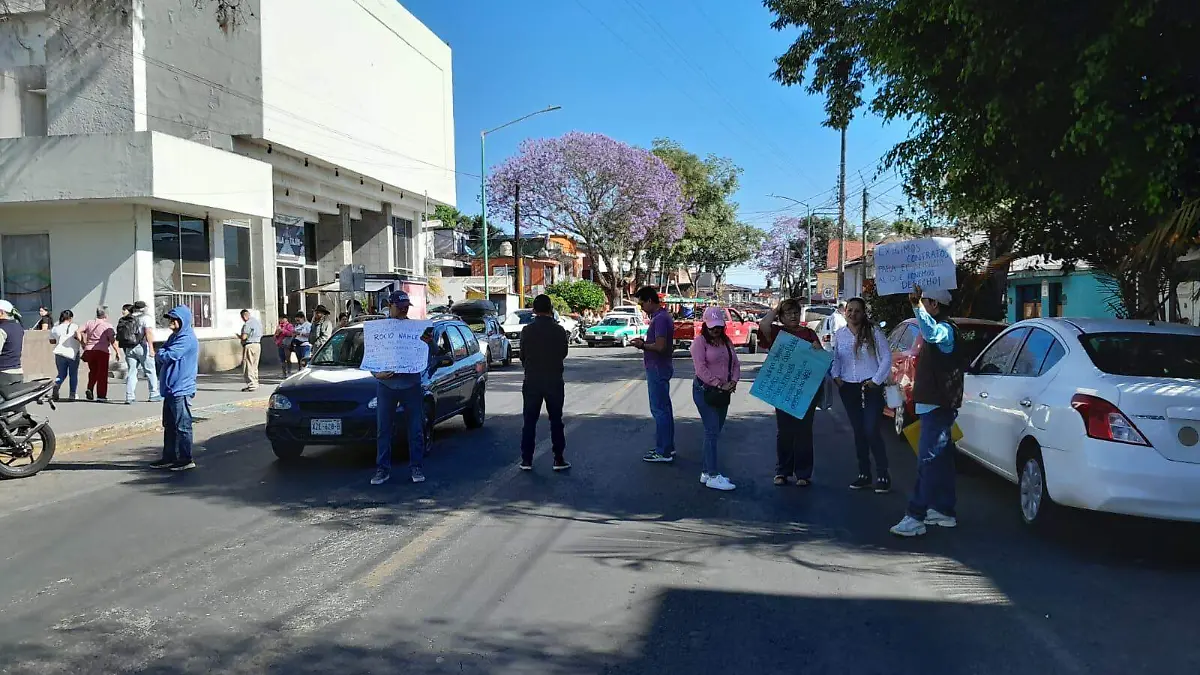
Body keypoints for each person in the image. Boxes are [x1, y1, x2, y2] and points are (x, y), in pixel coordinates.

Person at [891, 285, 961, 537]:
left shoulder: (945, 330)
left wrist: (915, 305)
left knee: (928, 461)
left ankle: (916, 515)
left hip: (938, 406)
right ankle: (943, 510)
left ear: (935, 305)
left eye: (926, 301)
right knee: (940, 461)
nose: (923, 305)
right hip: (935, 405)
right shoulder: (941, 328)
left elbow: (932, 334)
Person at [370, 291, 434, 486]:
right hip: (386, 386)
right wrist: (376, 374)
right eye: (400, 305)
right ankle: (382, 469)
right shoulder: (378, 329)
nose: (405, 308)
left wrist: (430, 344)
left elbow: (431, 354)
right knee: (383, 430)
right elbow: (371, 355)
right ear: (390, 305)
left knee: (415, 428)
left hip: (411, 385)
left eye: (407, 305)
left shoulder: (417, 329)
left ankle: (416, 466)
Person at [758, 298, 823, 486]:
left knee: (804, 432)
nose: (793, 316)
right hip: (783, 388)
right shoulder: (778, 332)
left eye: (796, 312)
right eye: (788, 313)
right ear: (781, 317)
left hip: (806, 389)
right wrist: (777, 307)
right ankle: (782, 471)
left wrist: (818, 350)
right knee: (785, 432)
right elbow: (764, 324)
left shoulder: (809, 333)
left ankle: (803, 473)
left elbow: (820, 360)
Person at [832, 297, 893, 493]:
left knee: (871, 430)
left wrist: (876, 380)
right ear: (845, 312)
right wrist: (836, 376)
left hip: (871, 387)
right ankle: (864, 474)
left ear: (863, 313)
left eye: (857, 311)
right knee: (858, 432)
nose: (853, 314)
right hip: (849, 387)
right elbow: (836, 359)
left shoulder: (873, 332)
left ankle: (883, 474)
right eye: (850, 310)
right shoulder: (840, 334)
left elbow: (886, 357)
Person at [691, 307, 742, 491]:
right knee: (711, 431)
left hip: (723, 393)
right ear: (705, 325)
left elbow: (735, 363)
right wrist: (718, 384)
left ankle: (706, 472)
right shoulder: (699, 343)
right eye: (712, 327)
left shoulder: (726, 341)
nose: (716, 330)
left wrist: (733, 381)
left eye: (719, 327)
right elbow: (701, 369)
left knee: (714, 432)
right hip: (705, 391)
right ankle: (713, 474)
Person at [518, 294, 570, 472]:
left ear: (534, 310)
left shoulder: (527, 330)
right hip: (554, 380)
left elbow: (522, 355)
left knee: (529, 421)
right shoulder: (559, 330)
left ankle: (526, 460)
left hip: (532, 380)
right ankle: (558, 458)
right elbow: (563, 353)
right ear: (551, 310)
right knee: (556, 420)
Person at [148, 306, 199, 471]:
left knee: (182, 425)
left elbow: (170, 355)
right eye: (170, 318)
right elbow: (163, 350)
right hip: (171, 388)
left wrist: (161, 354)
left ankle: (185, 458)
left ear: (182, 320)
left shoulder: (187, 338)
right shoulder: (174, 336)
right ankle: (169, 457)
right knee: (169, 425)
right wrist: (161, 353)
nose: (171, 321)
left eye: (174, 319)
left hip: (181, 388)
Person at [629, 286, 676, 463]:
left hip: (657, 367)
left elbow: (660, 346)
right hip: (660, 367)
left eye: (642, 303)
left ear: (650, 300)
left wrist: (642, 345)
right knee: (664, 409)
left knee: (659, 410)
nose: (641, 307)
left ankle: (663, 451)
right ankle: (667, 447)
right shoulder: (661, 317)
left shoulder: (661, 319)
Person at [118, 300, 161, 404]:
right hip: (142, 347)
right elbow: (148, 333)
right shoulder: (146, 318)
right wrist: (151, 348)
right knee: (150, 370)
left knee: (132, 372)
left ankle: (129, 396)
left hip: (129, 348)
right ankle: (154, 393)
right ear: (144, 308)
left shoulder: (127, 318)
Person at [80, 306, 120, 402]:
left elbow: (78, 331)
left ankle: (90, 388)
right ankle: (101, 395)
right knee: (102, 373)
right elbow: (112, 340)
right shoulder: (107, 326)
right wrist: (117, 351)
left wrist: (83, 343)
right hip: (102, 351)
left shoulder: (89, 322)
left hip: (89, 350)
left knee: (93, 371)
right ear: (105, 315)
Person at [49, 309, 82, 401]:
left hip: (59, 353)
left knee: (61, 374)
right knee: (73, 374)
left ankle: (57, 385)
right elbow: (79, 336)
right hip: (73, 353)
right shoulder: (75, 327)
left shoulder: (55, 328)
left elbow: (51, 341)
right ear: (70, 318)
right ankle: (72, 394)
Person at [0, 300, 26, 391]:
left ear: (1, 312)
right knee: (18, 402)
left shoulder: (2, 329)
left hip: (3, 374)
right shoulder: (18, 327)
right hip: (17, 372)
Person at [238, 309, 263, 392]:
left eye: (242, 317)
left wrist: (239, 336)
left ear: (244, 316)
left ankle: (251, 385)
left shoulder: (248, 324)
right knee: (255, 366)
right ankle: (255, 383)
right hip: (258, 344)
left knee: (248, 365)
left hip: (250, 345)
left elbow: (244, 337)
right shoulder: (257, 322)